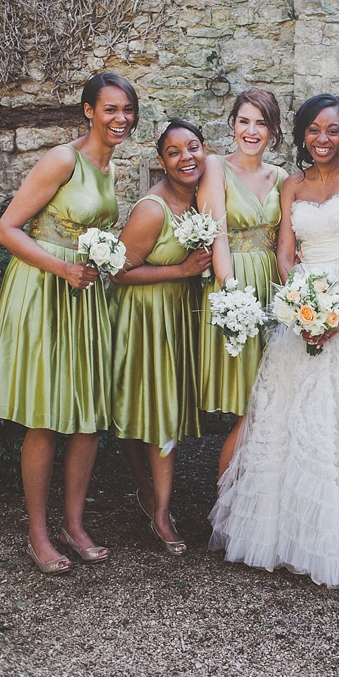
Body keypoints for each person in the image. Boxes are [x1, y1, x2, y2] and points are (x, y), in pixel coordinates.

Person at [209, 94, 339, 594]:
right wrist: (298, 300)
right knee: (291, 410)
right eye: (313, 130)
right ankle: (288, 535)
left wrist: (338, 309)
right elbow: (285, 251)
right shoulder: (293, 183)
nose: (322, 139)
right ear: (301, 133)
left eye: (332, 131)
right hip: (302, 297)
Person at [0, 71, 138, 573]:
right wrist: (63, 267)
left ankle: (74, 524)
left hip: (84, 295)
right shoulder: (62, 159)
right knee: (46, 415)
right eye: (110, 109)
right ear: (88, 111)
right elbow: (8, 229)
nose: (121, 119)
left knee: (88, 413)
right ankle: (38, 534)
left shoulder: (111, 170)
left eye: (127, 110)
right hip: (46, 287)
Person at [109, 120, 211, 555]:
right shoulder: (153, 209)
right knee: (146, 414)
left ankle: (153, 498)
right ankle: (161, 511)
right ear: (161, 161)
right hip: (142, 319)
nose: (186, 157)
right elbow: (117, 271)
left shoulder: (206, 200)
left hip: (178, 319)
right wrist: (181, 270)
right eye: (174, 152)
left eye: (193, 147)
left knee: (158, 413)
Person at [197, 88, 286, 480]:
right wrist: (231, 293)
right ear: (232, 124)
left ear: (273, 131)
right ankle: (226, 506)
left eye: (261, 123)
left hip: (271, 287)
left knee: (271, 400)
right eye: (245, 121)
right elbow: (217, 232)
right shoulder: (216, 166)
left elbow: (288, 239)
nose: (252, 131)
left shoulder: (281, 177)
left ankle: (260, 502)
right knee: (249, 404)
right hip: (236, 287)